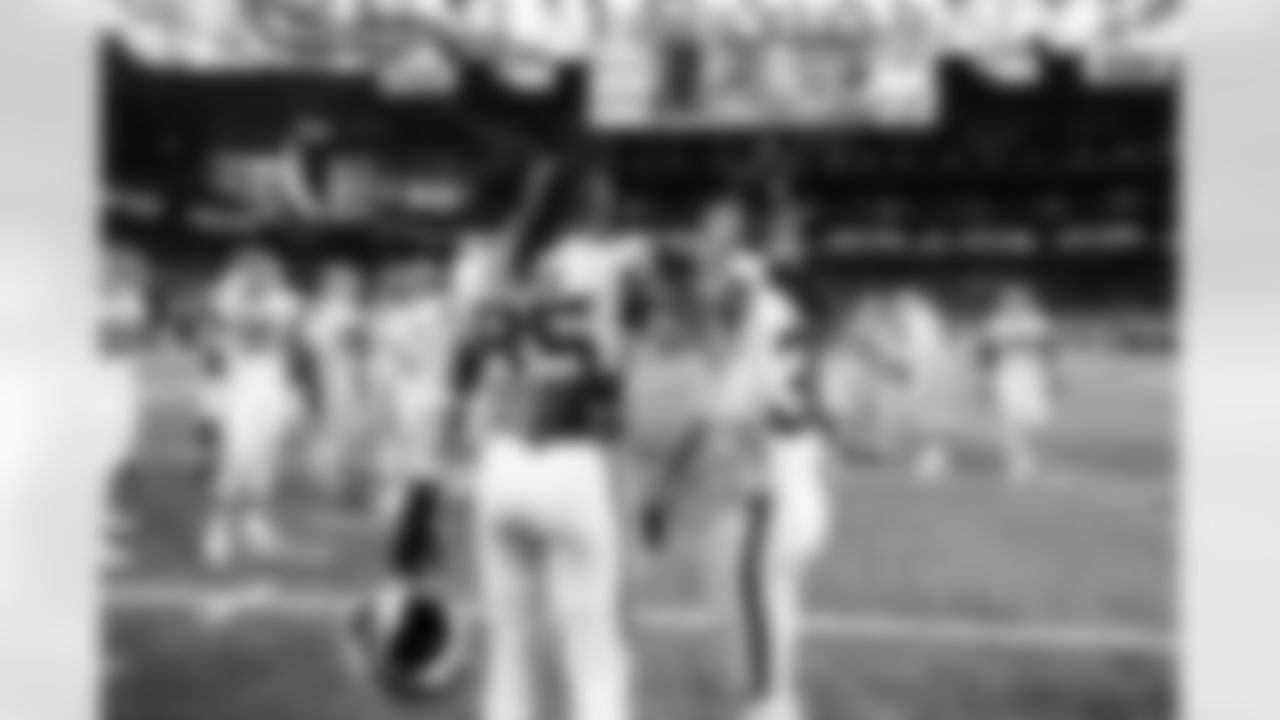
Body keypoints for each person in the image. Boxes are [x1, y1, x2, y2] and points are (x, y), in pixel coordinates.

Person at [629, 200, 829, 720]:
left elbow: (717, 409)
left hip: (767, 488)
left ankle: (771, 706)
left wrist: (662, 492)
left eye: (718, 236)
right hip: (793, 480)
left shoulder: (745, 301)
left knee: (748, 634)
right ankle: (778, 701)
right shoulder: (772, 301)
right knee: (770, 619)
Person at [201, 249, 303, 566]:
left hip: (273, 387)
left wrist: (293, 393)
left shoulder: (285, 301)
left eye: (270, 273)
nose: (266, 278)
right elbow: (212, 349)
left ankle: (254, 522)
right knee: (236, 458)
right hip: (240, 389)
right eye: (257, 272)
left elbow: (290, 345)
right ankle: (216, 529)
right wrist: (209, 398)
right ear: (242, 273)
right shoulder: (226, 298)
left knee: (265, 459)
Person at [979, 284, 1058, 484]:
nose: (1015, 305)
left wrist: (1053, 375)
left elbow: (1049, 351)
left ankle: (1028, 455)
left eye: (1019, 300)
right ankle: (1018, 461)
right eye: (1010, 301)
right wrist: (986, 380)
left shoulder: (1038, 323)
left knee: (1035, 420)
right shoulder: (996, 324)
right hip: (1007, 376)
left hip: (1033, 376)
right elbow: (986, 355)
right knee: (1009, 420)